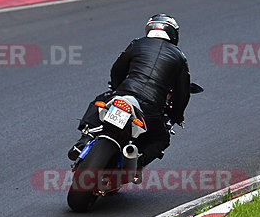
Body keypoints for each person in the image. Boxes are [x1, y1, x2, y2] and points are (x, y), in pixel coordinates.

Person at [69, 14, 191, 176]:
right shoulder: (179, 57)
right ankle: (136, 163)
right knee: (162, 139)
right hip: (149, 107)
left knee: (98, 102)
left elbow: (117, 69)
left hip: (123, 93)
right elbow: (183, 93)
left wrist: (115, 89)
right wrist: (177, 116)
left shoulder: (137, 44)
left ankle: (84, 139)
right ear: (174, 34)